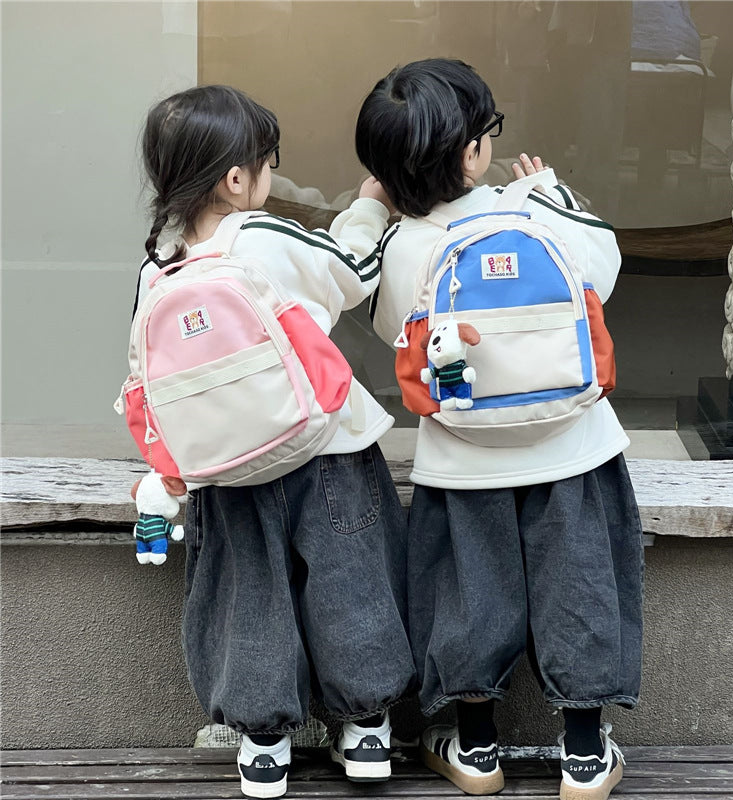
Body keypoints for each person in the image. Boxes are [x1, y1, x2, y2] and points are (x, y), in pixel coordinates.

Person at [357, 59, 643, 799]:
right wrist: (550, 191)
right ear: (475, 152)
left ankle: (476, 751)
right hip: (574, 449)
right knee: (579, 589)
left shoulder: (406, 246)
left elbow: (394, 327)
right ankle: (584, 754)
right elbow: (604, 270)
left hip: (463, 460)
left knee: (468, 595)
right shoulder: (535, 212)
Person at [135, 85, 416, 800]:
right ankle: (367, 730)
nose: (269, 177)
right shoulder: (261, 236)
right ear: (237, 179)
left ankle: (264, 744)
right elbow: (351, 277)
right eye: (267, 164)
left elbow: (146, 378)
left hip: (224, 471)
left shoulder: (157, 266)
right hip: (324, 446)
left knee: (247, 593)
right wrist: (372, 206)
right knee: (350, 579)